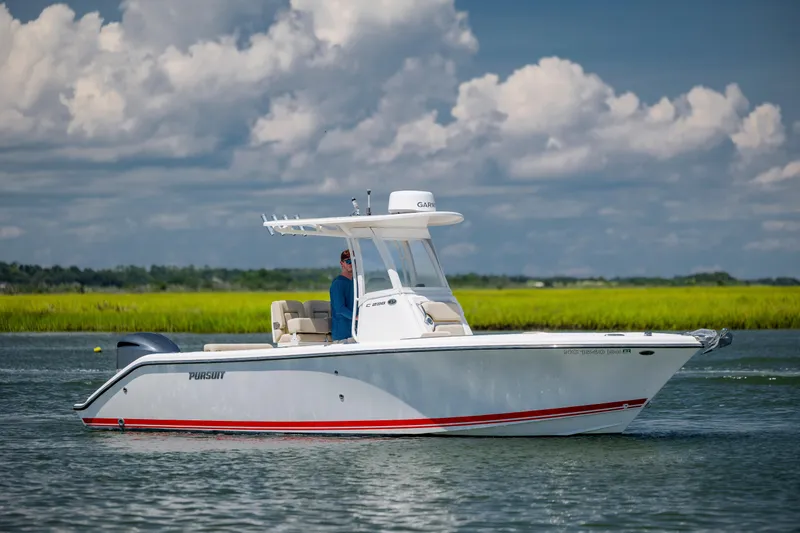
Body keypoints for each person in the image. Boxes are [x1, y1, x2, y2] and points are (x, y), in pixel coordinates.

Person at [330, 249, 356, 343]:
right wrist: (357, 317)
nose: (352, 264)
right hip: (342, 336)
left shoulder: (356, 283)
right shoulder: (338, 284)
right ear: (342, 263)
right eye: (348, 261)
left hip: (356, 333)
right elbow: (340, 308)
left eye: (354, 261)